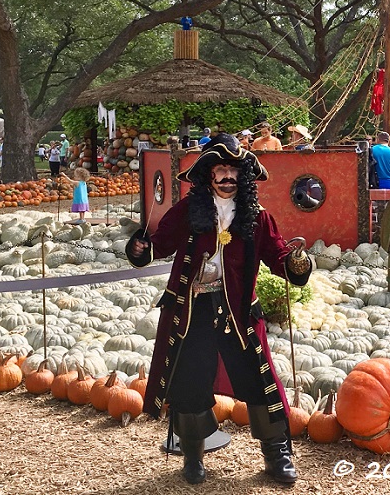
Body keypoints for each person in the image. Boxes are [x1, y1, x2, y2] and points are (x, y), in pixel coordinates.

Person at [125, 133, 311, 485]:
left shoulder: (258, 218)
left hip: (239, 314)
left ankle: (277, 456)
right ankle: (192, 457)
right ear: (207, 175)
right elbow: (159, 245)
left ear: (243, 176)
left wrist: (297, 263)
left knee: (260, 381)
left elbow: (279, 256)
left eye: (233, 170)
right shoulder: (187, 212)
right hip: (192, 313)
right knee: (189, 382)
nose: (227, 176)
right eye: (220, 169)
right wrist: (139, 248)